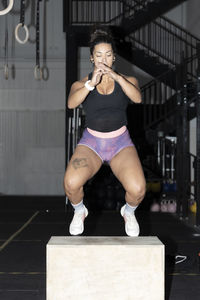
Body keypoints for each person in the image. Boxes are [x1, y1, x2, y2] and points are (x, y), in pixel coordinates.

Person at [64, 29, 146, 237]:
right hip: (92, 143)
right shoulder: (81, 84)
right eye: (99, 55)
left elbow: (137, 98)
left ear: (114, 57)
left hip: (120, 143)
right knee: (71, 184)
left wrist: (117, 78)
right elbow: (71, 103)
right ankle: (79, 210)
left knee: (137, 190)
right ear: (92, 57)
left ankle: (128, 211)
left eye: (108, 55)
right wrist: (91, 84)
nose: (104, 59)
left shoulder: (127, 80)